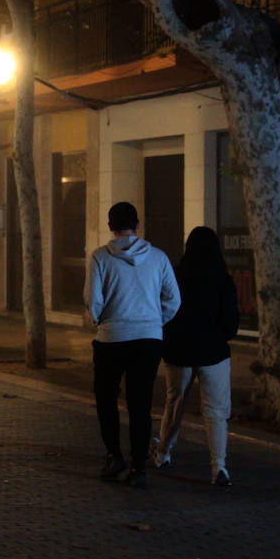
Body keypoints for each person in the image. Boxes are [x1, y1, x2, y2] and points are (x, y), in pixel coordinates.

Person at [84, 201, 180, 488]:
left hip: (111, 338)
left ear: (110, 227)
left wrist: (102, 319)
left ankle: (114, 455)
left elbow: (93, 299)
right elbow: (173, 299)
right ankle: (139, 466)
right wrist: (154, 321)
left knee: (107, 399)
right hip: (148, 340)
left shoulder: (100, 257)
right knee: (140, 403)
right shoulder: (159, 258)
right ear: (137, 225)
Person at [155, 226, 240, 486]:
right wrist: (216, 336)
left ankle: (163, 452)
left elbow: (165, 312)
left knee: (175, 403)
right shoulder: (223, 279)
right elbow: (231, 324)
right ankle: (219, 468)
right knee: (215, 411)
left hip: (179, 350)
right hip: (213, 352)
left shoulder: (176, 275)